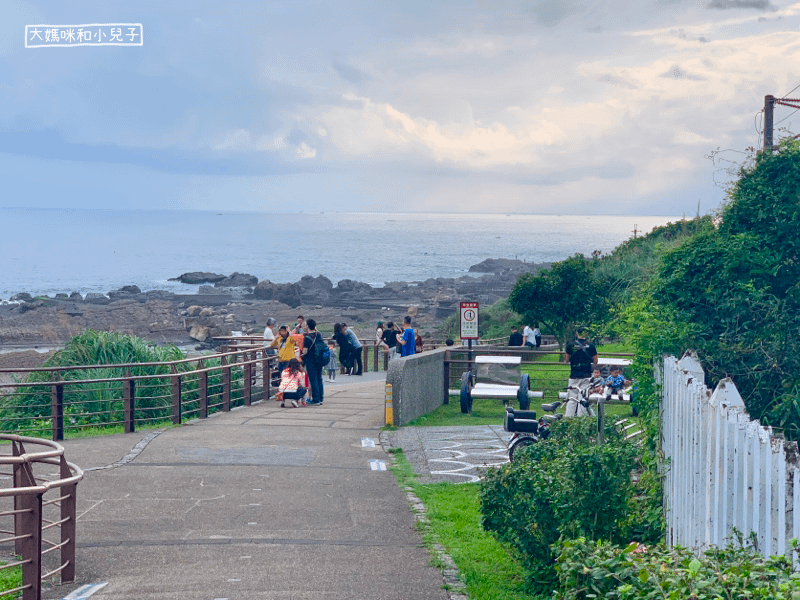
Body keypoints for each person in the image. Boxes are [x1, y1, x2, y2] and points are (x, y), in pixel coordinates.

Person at [564, 327, 598, 417]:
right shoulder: (591, 345)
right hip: (586, 375)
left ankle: (568, 418)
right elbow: (595, 361)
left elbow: (567, 360)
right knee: (583, 398)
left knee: (571, 398)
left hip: (574, 375)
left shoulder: (570, 345)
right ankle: (580, 418)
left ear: (576, 333)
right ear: (585, 334)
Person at [301, 318, 325, 405]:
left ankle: (316, 399)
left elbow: (305, 351)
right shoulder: (319, 334)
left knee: (313, 379)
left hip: (311, 360)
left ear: (307, 326)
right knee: (319, 378)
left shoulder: (307, 338)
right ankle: (321, 398)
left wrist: (301, 354)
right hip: (319, 359)